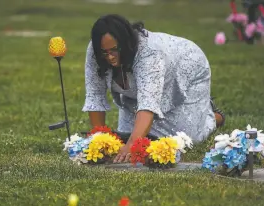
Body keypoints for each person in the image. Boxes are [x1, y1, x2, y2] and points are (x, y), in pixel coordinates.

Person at [82, 14, 225, 163]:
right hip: (143, 86)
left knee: (186, 139)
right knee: (128, 134)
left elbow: (148, 104)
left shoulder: (149, 53)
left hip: (188, 68)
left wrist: (131, 144)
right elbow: (95, 95)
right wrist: (100, 140)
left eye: (114, 50)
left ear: (125, 43)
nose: (110, 57)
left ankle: (212, 116)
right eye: (104, 52)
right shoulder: (95, 51)